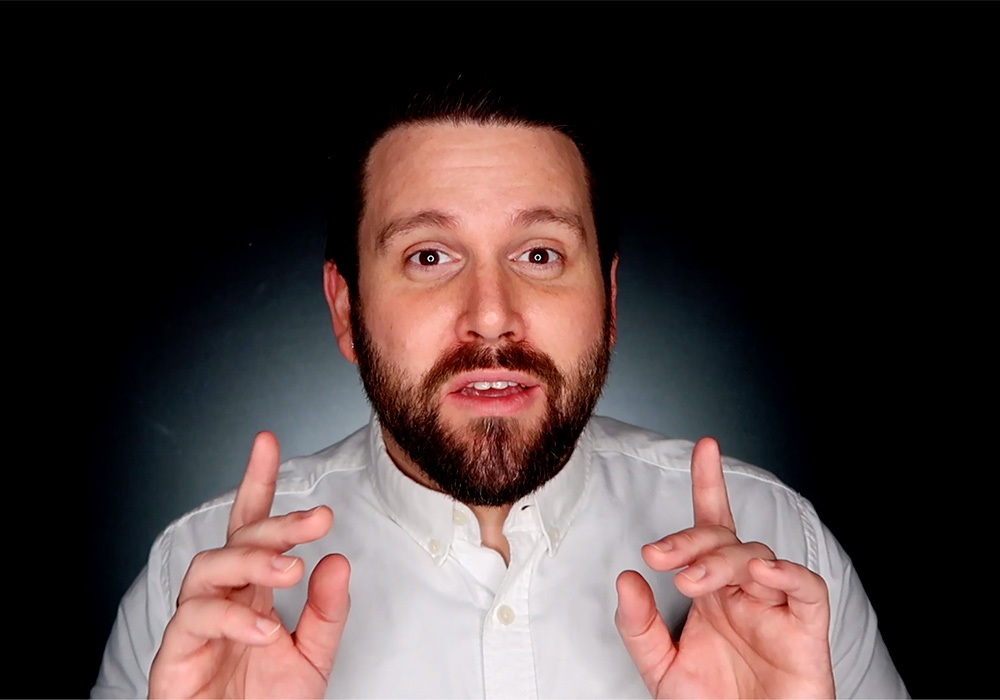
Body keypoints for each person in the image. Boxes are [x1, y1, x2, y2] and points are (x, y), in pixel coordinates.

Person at [92, 76, 908, 699]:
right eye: (429, 257)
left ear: (611, 303)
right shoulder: (195, 588)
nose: (491, 317)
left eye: (541, 254)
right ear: (347, 311)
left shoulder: (779, 553)